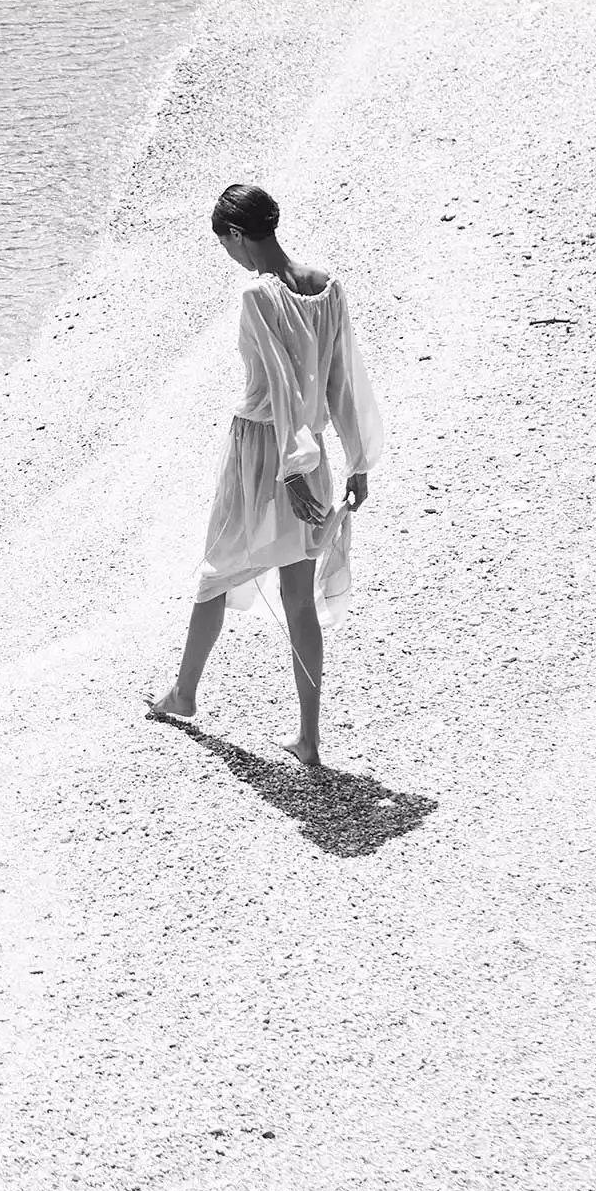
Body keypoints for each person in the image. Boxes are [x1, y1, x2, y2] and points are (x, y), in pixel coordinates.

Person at [148, 182, 385, 768]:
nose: (227, 253)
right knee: (298, 598)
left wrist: (292, 471)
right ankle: (308, 739)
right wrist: (355, 459)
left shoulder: (258, 295)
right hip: (312, 454)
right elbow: (343, 380)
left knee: (216, 570)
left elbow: (279, 391)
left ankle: (183, 693)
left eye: (223, 242)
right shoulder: (327, 287)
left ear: (234, 235)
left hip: (267, 455)